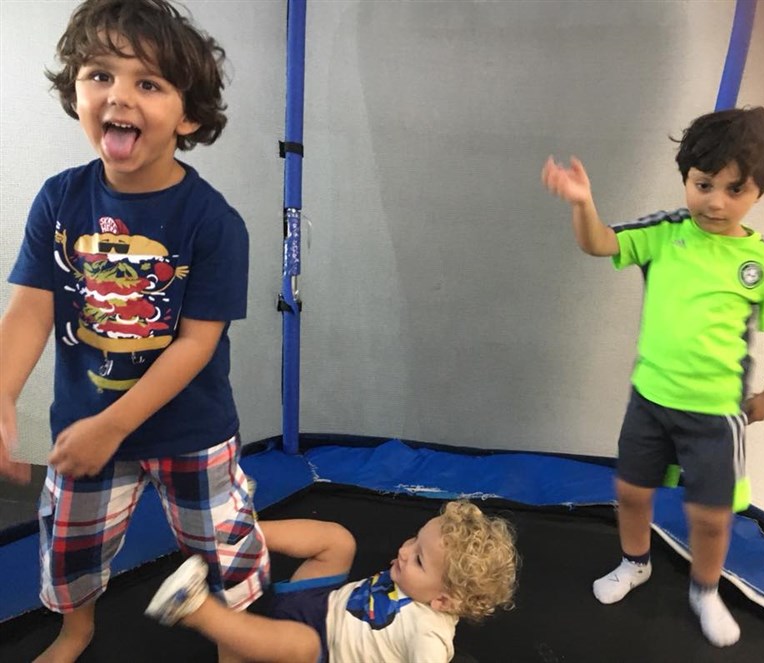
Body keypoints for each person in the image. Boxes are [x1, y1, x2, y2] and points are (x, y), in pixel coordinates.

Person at [0, 1, 267, 661]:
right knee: (71, 547)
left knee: (223, 547)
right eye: (100, 76)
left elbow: (197, 343)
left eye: (147, 83)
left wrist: (113, 426)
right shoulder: (59, 200)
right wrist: (2, 391)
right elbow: (31, 309)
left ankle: (234, 638)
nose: (118, 96)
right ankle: (76, 630)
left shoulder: (214, 222)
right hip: (85, 425)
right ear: (76, 92)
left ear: (189, 115)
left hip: (190, 429)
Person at [541, 106, 764, 647]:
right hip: (651, 401)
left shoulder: (760, 263)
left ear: (759, 192)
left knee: (711, 517)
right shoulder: (663, 233)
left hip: (716, 416)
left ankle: (705, 589)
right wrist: (583, 203)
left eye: (735, 189)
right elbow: (599, 242)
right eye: (704, 185)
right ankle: (635, 562)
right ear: (687, 179)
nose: (716, 202)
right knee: (632, 492)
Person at [145, 500, 519, 663]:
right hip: (321, 602)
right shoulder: (415, 579)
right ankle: (243, 533)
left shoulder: (428, 635)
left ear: (443, 601)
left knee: (301, 644)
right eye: (413, 540)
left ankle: (193, 609)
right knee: (339, 541)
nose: (404, 551)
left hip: (321, 652)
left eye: (419, 559)